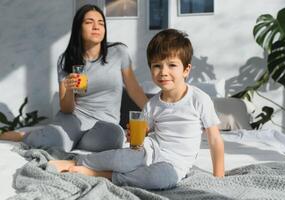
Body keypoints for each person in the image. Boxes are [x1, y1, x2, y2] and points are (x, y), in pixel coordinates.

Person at [49, 29, 225, 190]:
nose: (163, 72)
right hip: (150, 150)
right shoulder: (152, 104)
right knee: (121, 158)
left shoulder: (198, 99)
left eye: (172, 65)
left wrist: (219, 177)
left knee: (159, 179)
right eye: (157, 66)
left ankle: (104, 176)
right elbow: (142, 135)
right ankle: (76, 160)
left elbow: (215, 139)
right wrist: (132, 135)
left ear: (186, 70)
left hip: (175, 164)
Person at [0, 4, 148, 152]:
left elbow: (134, 89)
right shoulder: (66, 59)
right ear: (79, 27)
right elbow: (67, 108)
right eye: (89, 22)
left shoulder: (118, 52)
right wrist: (69, 89)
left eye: (101, 23)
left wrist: (155, 115)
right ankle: (27, 136)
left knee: (114, 137)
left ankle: (74, 139)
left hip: (105, 123)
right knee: (53, 142)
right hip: (73, 119)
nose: (96, 27)